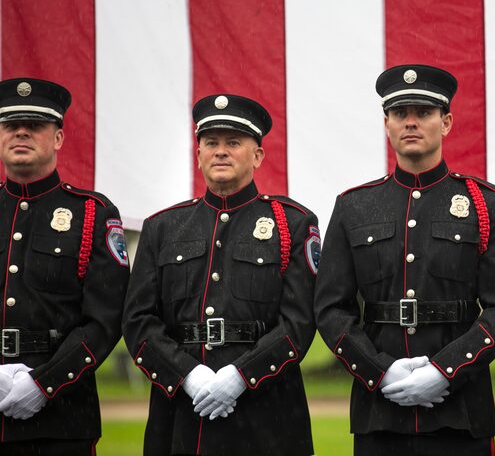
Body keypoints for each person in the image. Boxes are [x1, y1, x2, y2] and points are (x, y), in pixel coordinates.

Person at [313, 64, 495, 455]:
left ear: (445, 123)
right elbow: (329, 308)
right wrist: (379, 370)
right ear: (387, 124)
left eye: (424, 113)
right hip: (380, 409)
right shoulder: (354, 207)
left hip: (460, 410)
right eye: (400, 114)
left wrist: (447, 371)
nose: (411, 123)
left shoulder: (485, 203)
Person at [122, 94, 318, 456]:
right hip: (180, 410)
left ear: (257, 155)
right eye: (211, 143)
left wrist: (242, 376)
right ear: (198, 156)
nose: (221, 151)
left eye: (234, 142)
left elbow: (299, 322)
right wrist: (187, 375)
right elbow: (137, 321)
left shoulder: (292, 224)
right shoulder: (163, 228)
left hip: (267, 413)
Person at [0, 78, 129, 454]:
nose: (21, 132)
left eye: (35, 125)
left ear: (57, 138)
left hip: (62, 417)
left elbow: (106, 319)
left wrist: (45, 383)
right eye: (10, 125)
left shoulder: (92, 213)